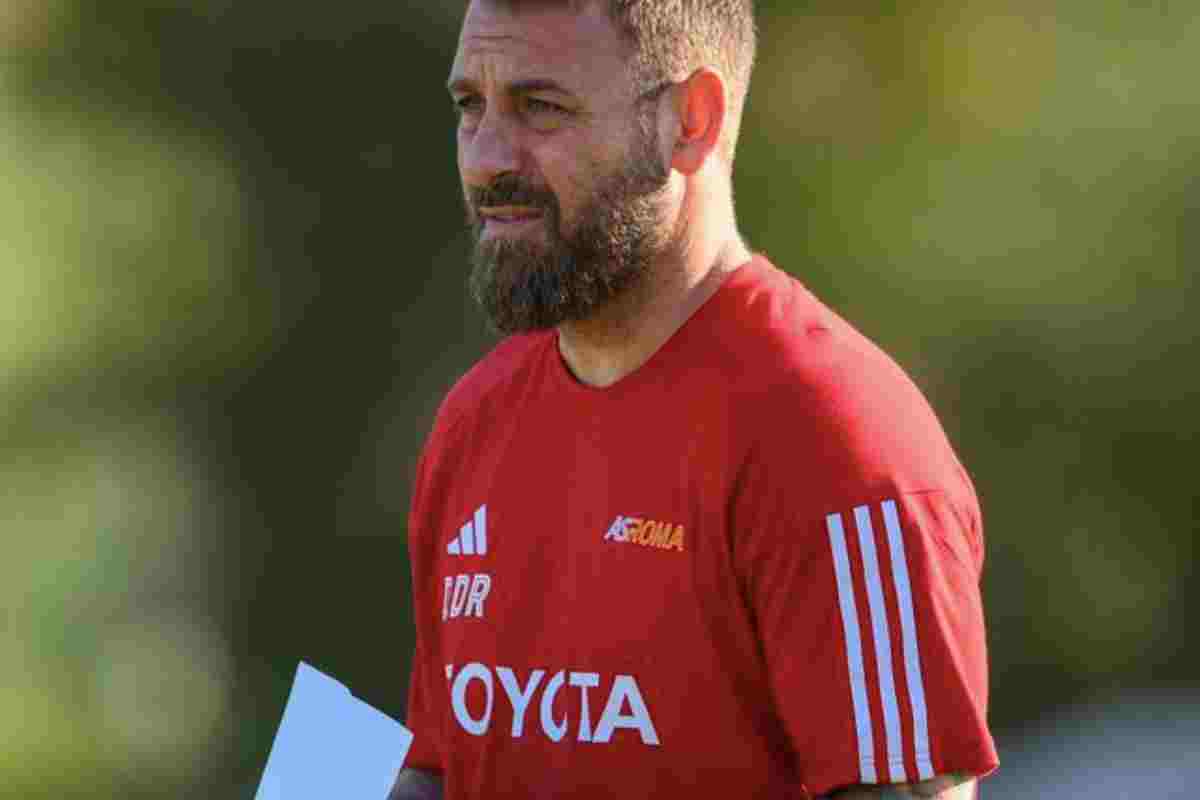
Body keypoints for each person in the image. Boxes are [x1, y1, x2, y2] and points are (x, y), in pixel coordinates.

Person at [390, 0, 998, 797]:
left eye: (541, 107)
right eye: (471, 106)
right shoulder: (475, 420)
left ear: (691, 121)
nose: (485, 159)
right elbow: (442, 769)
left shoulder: (838, 440)